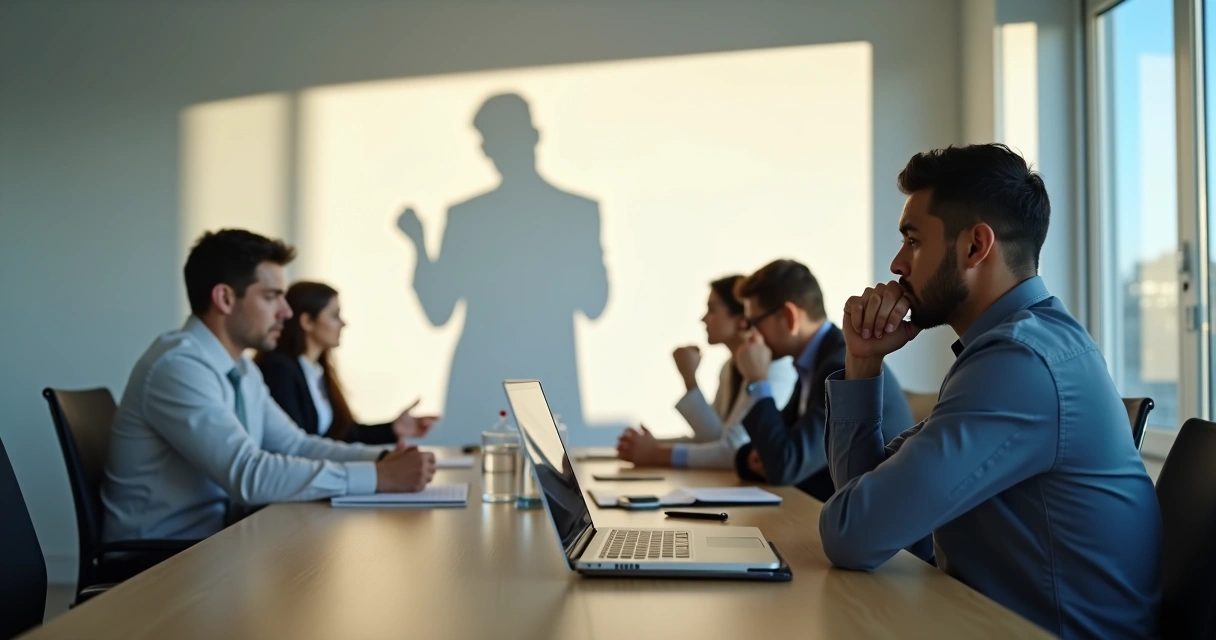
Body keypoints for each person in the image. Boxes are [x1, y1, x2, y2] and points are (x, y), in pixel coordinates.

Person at [819, 144, 1160, 638]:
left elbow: (854, 533)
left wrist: (863, 519)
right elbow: (869, 511)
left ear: (975, 246)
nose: (896, 264)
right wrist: (864, 361)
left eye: (912, 241)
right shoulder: (1013, 348)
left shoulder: (1020, 363)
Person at [102, 230, 436, 542]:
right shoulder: (178, 367)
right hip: (160, 562)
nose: (286, 312)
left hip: (219, 543)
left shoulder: (243, 369)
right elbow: (247, 474)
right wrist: (379, 476)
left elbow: (296, 445)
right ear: (225, 298)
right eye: (272, 297)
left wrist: (384, 458)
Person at [396, 93, 608, 445]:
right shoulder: (574, 212)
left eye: (495, 139)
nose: (491, 151)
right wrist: (418, 244)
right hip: (490, 385)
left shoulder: (471, 217)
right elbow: (439, 311)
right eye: (489, 141)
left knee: (541, 473)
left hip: (529, 382)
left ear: (533, 136)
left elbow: (594, 304)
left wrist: (419, 244)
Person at [730, 259, 912, 501]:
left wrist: (758, 379)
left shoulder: (842, 365)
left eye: (754, 323)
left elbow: (785, 464)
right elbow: (777, 445)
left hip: (879, 512)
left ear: (789, 316)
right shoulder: (815, 362)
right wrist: (748, 458)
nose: (750, 336)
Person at [616, 275, 795, 468]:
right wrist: (652, 446)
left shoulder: (776, 370)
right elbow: (714, 438)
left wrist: (655, 454)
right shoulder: (730, 367)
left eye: (712, 309)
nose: (703, 319)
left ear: (742, 319)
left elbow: (733, 450)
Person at [255, 281, 439, 445]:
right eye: (334, 315)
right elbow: (298, 446)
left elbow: (342, 435)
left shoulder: (316, 372)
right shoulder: (279, 370)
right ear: (307, 322)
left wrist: (393, 429)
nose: (343, 323)